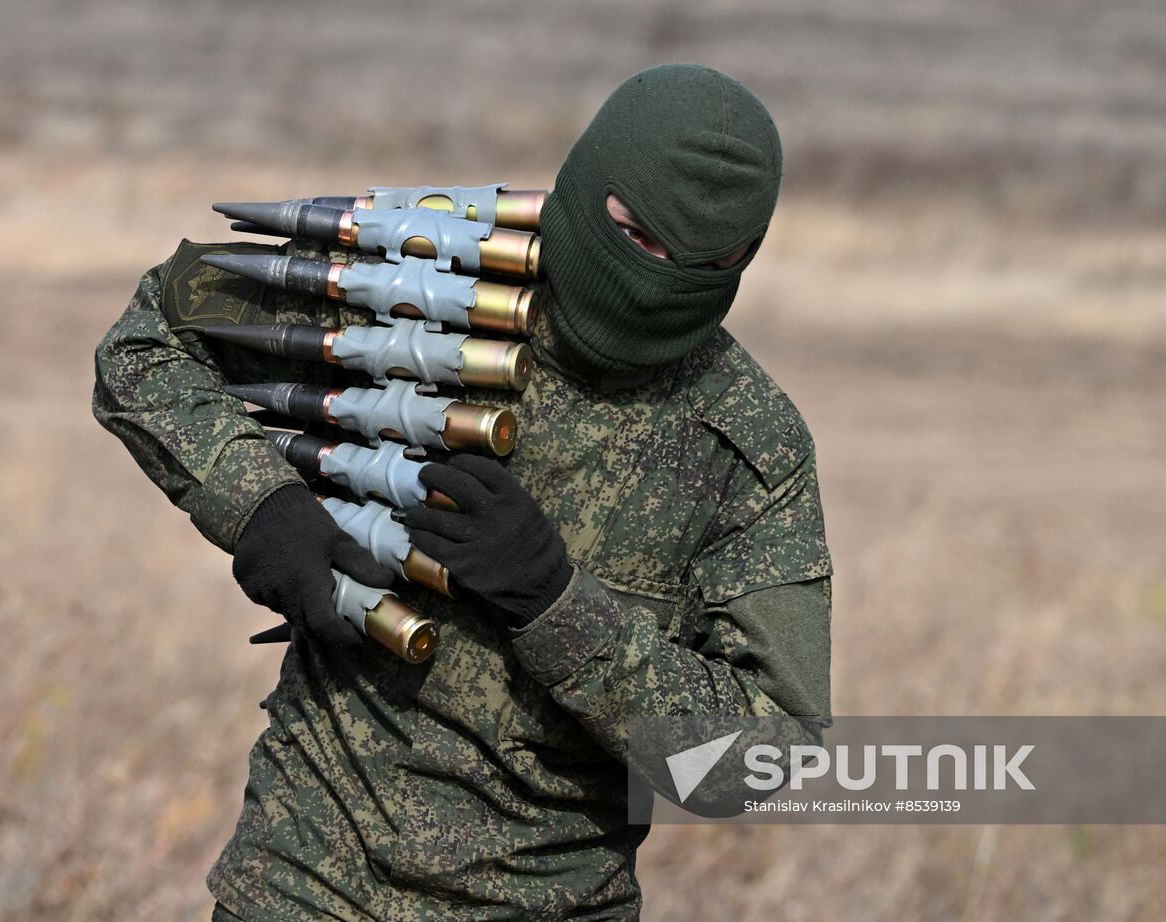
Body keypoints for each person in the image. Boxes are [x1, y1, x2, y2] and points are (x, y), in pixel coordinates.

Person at [92, 63, 832, 921]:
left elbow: (772, 759)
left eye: (705, 261)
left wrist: (558, 608)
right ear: (588, 190)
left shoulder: (746, 446)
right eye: (636, 235)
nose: (657, 278)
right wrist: (262, 505)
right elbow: (147, 342)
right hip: (304, 885)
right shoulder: (425, 284)